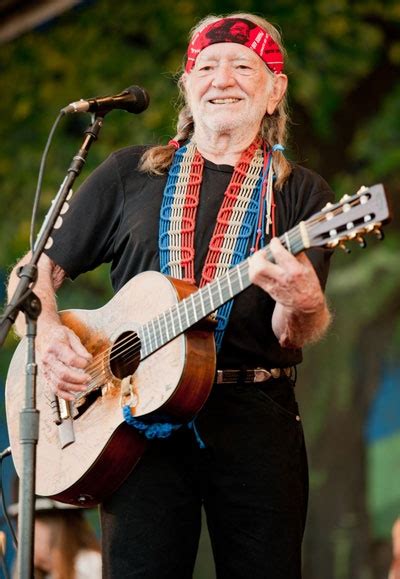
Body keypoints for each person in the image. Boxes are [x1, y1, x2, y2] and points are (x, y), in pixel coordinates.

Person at [8, 12, 334, 579]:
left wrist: (302, 301)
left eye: (242, 66)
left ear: (275, 87)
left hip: (257, 416)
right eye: (206, 66)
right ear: (186, 85)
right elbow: (31, 275)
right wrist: (49, 335)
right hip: (130, 423)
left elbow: (293, 333)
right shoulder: (126, 173)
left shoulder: (303, 193)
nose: (222, 79)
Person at [8, 495, 101, 578]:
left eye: (24, 528)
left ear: (55, 525)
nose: (16, 541)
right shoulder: (49, 574)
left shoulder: (90, 566)